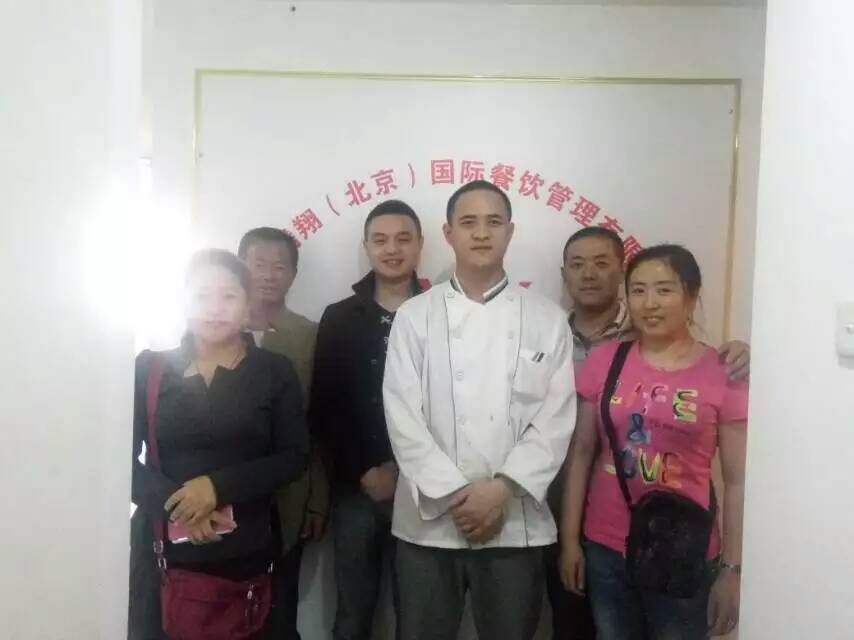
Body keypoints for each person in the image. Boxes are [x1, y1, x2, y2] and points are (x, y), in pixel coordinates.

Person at [383, 180, 576, 640]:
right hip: (431, 521)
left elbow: (556, 420)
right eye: (468, 222)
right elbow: (402, 415)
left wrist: (501, 490)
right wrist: (457, 494)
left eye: (494, 222)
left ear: (511, 231)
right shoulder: (414, 316)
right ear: (448, 233)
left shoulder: (547, 319)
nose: (482, 233)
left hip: (513, 518)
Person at [546, 227, 751, 639]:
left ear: (691, 297)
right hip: (606, 545)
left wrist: (732, 568)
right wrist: (570, 542)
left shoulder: (722, 371)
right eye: (638, 291)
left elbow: (737, 480)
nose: (650, 303)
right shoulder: (605, 359)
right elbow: (581, 454)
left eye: (664, 290)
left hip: (683, 550)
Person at [129, 249, 309, 638]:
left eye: (228, 295)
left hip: (247, 553)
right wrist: (181, 507)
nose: (214, 308)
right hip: (163, 553)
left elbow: (294, 456)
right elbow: (118, 463)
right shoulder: (150, 369)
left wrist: (216, 487)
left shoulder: (273, 371)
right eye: (201, 295)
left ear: (247, 305)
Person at [311, 200, 425, 640]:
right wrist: (365, 471)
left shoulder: (443, 311)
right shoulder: (339, 317)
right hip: (355, 491)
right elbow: (325, 406)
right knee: (352, 615)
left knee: (420, 618)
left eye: (403, 239)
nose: (392, 249)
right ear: (366, 247)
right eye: (380, 240)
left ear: (420, 245)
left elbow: (453, 406)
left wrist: (402, 471)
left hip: (424, 492)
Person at [238, 227, 329, 640]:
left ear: (293, 274)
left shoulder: (310, 335)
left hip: (289, 495)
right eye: (258, 264)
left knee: (280, 607)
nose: (268, 275)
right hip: (225, 495)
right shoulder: (215, 329)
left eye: (280, 266)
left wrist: (317, 499)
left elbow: (319, 420)